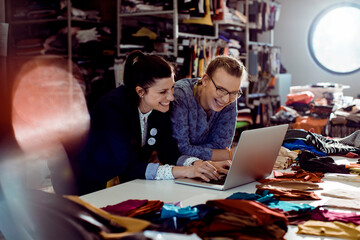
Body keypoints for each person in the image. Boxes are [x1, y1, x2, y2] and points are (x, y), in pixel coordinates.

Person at [73, 50, 230, 195]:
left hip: (123, 183)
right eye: (163, 92)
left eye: (172, 89)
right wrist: (185, 171)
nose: (171, 97)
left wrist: (197, 165)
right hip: (86, 180)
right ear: (140, 91)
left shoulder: (160, 107)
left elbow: (169, 152)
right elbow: (128, 166)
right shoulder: (112, 108)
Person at [171, 55, 247, 161]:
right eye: (221, 89)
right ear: (205, 80)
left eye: (234, 92)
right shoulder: (180, 94)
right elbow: (180, 149)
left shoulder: (230, 97)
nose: (226, 100)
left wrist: (222, 153)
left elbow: (221, 147)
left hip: (208, 168)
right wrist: (227, 155)